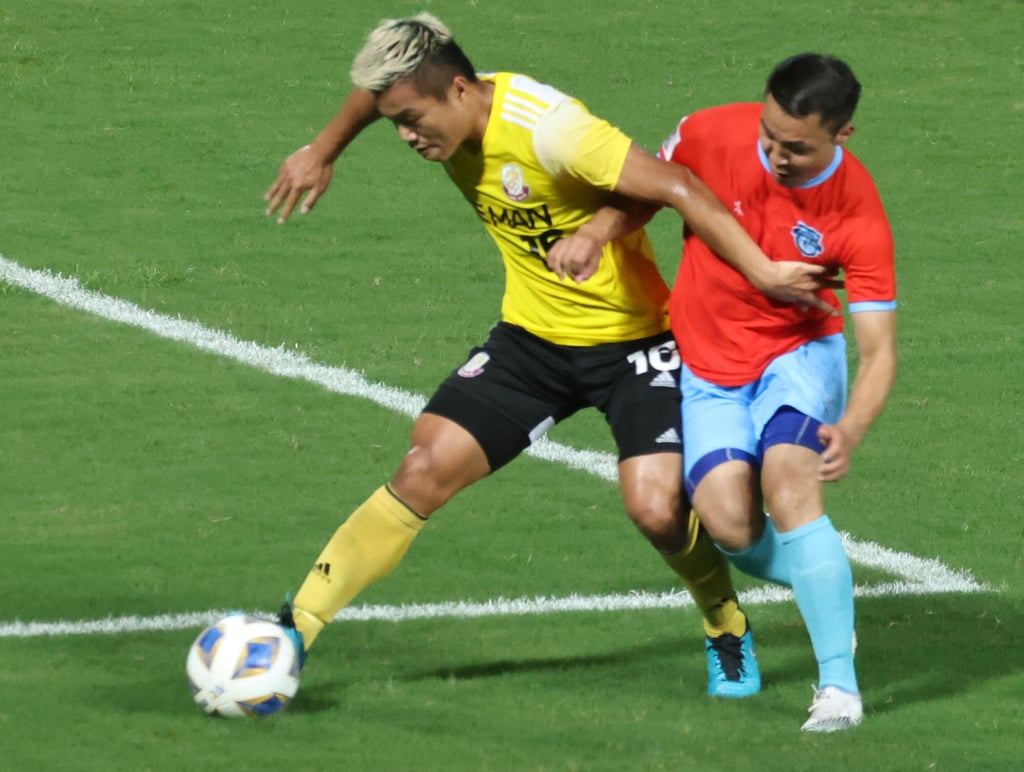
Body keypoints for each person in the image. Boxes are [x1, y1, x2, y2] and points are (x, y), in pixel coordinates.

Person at [262, 13, 833, 699]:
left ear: (461, 90)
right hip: (532, 339)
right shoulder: (427, 97)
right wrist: (324, 149)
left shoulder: (550, 129)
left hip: (636, 342)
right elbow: (378, 93)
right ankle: (294, 628)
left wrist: (759, 272)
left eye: (414, 120)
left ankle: (724, 622)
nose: (409, 138)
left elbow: (675, 185)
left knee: (656, 510)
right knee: (423, 467)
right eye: (396, 125)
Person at [555, 54, 897, 731]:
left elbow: (881, 349)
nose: (774, 154)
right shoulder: (709, 133)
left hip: (796, 356)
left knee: (790, 485)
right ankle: (825, 588)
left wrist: (851, 428)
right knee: (730, 526)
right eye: (768, 134)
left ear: (843, 134)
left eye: (795, 147)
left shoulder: (857, 214)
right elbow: (651, 190)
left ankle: (839, 690)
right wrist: (595, 231)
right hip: (709, 368)